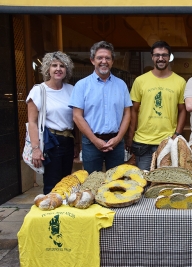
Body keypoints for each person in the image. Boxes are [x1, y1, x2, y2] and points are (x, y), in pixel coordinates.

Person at [69, 41, 132, 174]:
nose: (104, 61)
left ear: (112, 61)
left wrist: (119, 138)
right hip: (91, 144)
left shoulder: (121, 85)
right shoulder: (82, 85)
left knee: (117, 184)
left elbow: (127, 113)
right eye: (99, 58)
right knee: (92, 183)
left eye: (107, 58)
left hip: (116, 142)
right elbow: (77, 116)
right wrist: (95, 140)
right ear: (92, 60)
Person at [126, 41, 186, 171]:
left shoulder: (180, 82)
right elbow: (133, 111)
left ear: (169, 57)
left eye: (164, 55)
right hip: (143, 142)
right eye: (157, 55)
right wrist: (130, 137)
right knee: (144, 181)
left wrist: (177, 134)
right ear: (152, 57)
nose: (161, 58)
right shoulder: (140, 81)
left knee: (166, 181)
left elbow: (182, 110)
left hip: (168, 141)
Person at [26, 51, 79, 194]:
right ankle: (49, 214)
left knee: (67, 183)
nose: (58, 69)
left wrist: (76, 144)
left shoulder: (71, 90)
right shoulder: (39, 90)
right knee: (52, 184)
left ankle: (64, 215)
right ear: (47, 69)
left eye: (62, 66)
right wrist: (36, 149)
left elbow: (75, 119)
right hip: (51, 141)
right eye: (54, 65)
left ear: (66, 69)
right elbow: (32, 122)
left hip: (68, 140)